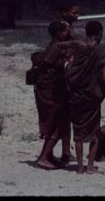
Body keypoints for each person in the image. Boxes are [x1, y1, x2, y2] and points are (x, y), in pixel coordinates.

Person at [65, 21, 105, 174]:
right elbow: (104, 77)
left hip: (76, 96)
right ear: (100, 34)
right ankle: (90, 166)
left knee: (78, 133)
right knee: (94, 133)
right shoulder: (101, 52)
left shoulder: (79, 48)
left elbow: (69, 66)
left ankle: (79, 167)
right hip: (92, 97)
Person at [34, 21, 71, 169]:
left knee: (54, 123)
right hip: (50, 91)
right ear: (59, 33)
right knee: (58, 123)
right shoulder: (56, 47)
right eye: (66, 30)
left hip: (49, 90)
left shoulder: (54, 45)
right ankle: (43, 157)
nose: (69, 32)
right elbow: (49, 63)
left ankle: (47, 155)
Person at [57, 0, 81, 165]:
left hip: (69, 70)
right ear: (65, 12)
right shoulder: (63, 28)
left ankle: (66, 151)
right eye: (74, 12)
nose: (77, 16)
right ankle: (64, 152)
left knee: (67, 116)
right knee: (65, 115)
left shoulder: (68, 27)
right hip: (65, 73)